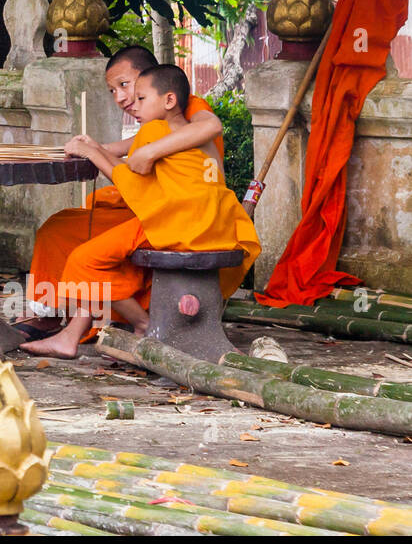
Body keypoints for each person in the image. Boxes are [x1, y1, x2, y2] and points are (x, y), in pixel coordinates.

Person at [20, 64, 259, 358]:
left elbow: (136, 185)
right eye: (115, 91)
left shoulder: (157, 128)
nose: (128, 100)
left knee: (84, 261)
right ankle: (71, 336)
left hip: (178, 225)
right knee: (93, 245)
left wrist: (94, 153)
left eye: (138, 95)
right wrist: (99, 149)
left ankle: (143, 323)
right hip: (216, 226)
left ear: (168, 99)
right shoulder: (188, 130)